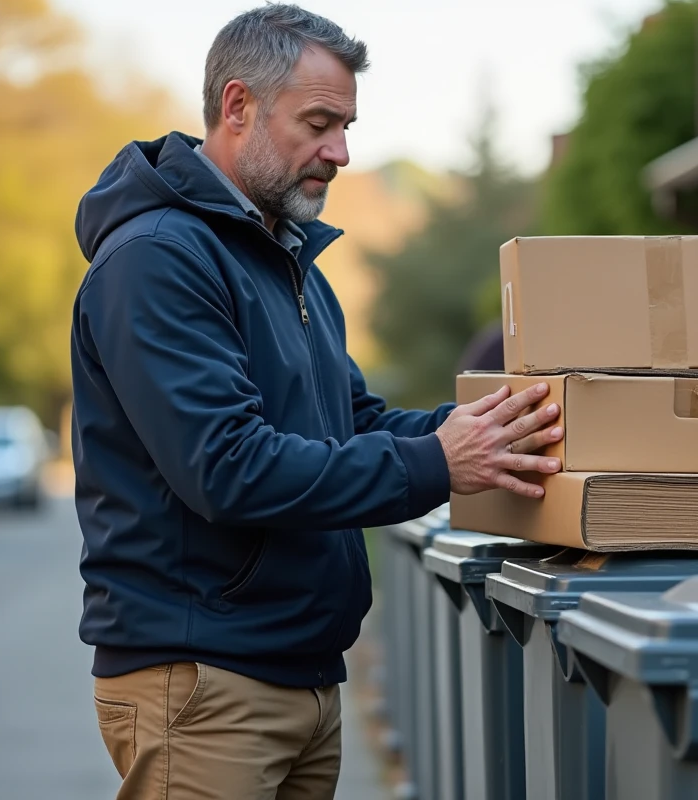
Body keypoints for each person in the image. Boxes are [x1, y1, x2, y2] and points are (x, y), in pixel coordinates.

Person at [69, 5, 563, 799]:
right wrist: (438, 462)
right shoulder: (158, 260)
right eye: (319, 123)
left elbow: (354, 423)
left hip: (300, 673)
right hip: (206, 683)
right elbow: (227, 468)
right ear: (238, 107)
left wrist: (489, 431)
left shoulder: (289, 261)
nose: (340, 151)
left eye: (347, 125)